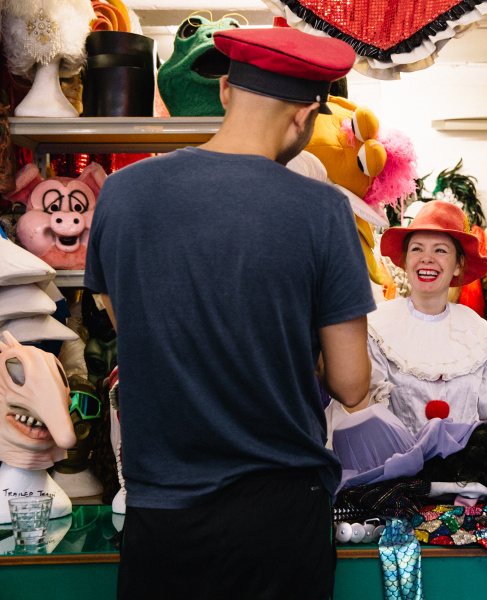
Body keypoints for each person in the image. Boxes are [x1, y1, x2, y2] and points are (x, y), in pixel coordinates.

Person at [84, 27, 376, 600]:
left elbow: (131, 325)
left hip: (160, 511)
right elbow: (351, 383)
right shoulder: (321, 210)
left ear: (223, 91)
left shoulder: (121, 192)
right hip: (280, 516)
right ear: (305, 116)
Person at [332, 201, 487, 436]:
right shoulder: (377, 328)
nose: (427, 258)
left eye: (440, 250)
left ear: (458, 265)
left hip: (464, 471)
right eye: (417, 249)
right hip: (392, 469)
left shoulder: (479, 335)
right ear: (404, 261)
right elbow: (359, 414)